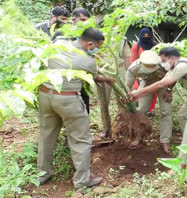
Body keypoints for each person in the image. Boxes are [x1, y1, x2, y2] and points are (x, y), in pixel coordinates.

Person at [37, 28, 114, 189]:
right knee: (81, 139)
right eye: (97, 46)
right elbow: (94, 77)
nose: (97, 50)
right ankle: (82, 181)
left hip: (45, 95)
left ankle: (42, 175)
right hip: (68, 99)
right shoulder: (87, 60)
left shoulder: (58, 44)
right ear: (90, 43)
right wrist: (108, 79)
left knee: (46, 135)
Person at [128, 47, 187, 167]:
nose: (162, 64)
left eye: (163, 61)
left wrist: (139, 92)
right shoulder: (174, 66)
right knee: (182, 115)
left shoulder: (182, 66)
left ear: (172, 58)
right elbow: (168, 80)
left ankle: (182, 162)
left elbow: (162, 83)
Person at [126, 50, 173, 153]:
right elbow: (127, 86)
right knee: (141, 110)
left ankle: (165, 141)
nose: (150, 68)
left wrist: (169, 90)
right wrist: (129, 98)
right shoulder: (133, 68)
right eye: (147, 66)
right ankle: (139, 137)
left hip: (163, 82)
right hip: (147, 83)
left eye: (153, 66)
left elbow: (174, 77)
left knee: (166, 111)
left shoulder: (165, 64)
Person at [130, 28, 157, 117]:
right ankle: (139, 109)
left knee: (153, 92)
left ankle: (149, 110)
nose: (146, 37)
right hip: (140, 72)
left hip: (153, 72)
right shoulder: (136, 46)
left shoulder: (155, 46)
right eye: (144, 35)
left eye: (148, 35)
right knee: (140, 90)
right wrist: (136, 75)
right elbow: (133, 60)